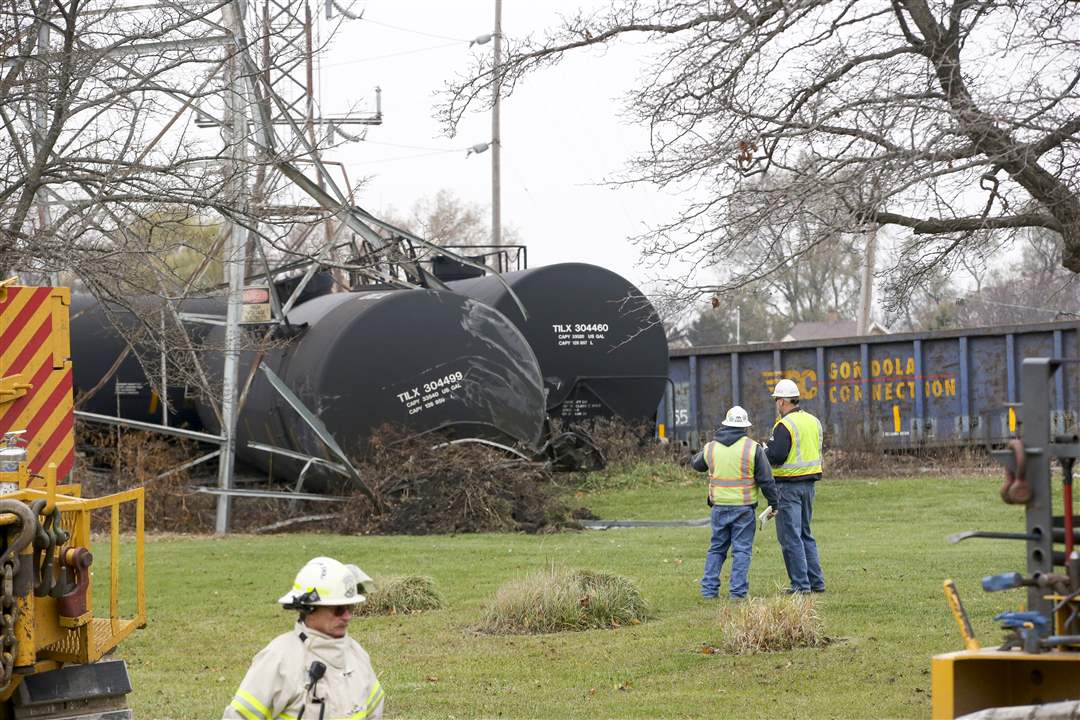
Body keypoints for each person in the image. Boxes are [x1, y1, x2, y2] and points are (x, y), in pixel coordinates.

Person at [225, 556, 385, 720]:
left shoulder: (357, 655)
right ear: (310, 609)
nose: (347, 616)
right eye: (338, 609)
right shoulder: (279, 659)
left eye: (350, 607)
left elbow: (374, 714)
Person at [691, 405, 779, 600]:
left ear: (725, 425)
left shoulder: (711, 447)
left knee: (717, 548)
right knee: (741, 551)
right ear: (745, 427)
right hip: (744, 509)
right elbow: (766, 480)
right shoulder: (752, 448)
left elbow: (696, 464)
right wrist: (774, 503)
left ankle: (708, 591)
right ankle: (737, 593)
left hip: (719, 507)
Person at [766, 378, 826, 595]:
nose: (776, 404)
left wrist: (764, 451)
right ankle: (816, 581)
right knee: (805, 534)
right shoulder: (813, 421)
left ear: (782, 401)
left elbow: (777, 456)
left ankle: (800, 585)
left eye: (776, 400)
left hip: (788, 486)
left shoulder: (785, 425)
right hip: (809, 485)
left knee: (790, 537)